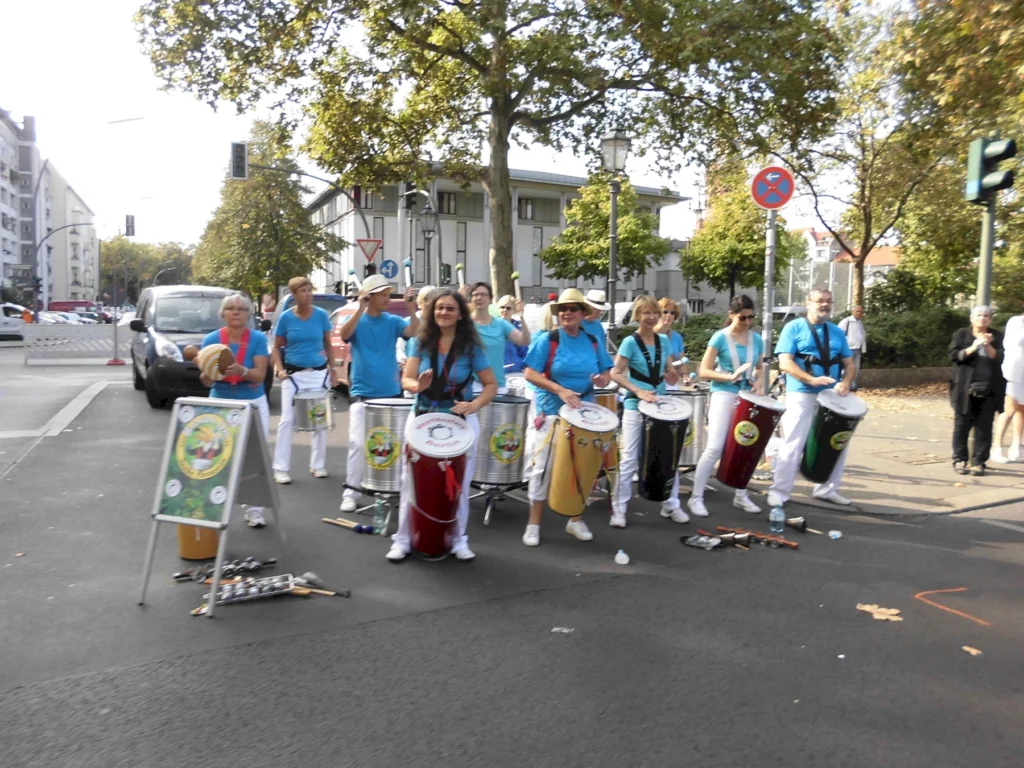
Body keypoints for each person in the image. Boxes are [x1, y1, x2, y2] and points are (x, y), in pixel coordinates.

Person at [386, 289, 498, 562]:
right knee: (410, 480)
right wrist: (417, 386)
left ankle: (459, 539)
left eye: (450, 308)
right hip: (423, 417)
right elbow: (406, 380)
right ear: (432, 312)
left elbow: (490, 385)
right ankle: (403, 539)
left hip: (460, 420)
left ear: (460, 314)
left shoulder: (470, 346)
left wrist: (474, 405)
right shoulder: (420, 342)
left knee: (460, 482)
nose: (444, 312)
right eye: (439, 308)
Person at [521, 288, 615, 546]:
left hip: (584, 414)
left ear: (583, 313)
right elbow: (530, 373)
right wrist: (560, 390)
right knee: (542, 468)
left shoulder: (592, 340)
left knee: (582, 468)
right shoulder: (549, 339)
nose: (567, 313)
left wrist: (601, 380)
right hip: (551, 411)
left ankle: (575, 519)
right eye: (563, 309)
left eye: (573, 309)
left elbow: (607, 374)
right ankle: (533, 523)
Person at [338, 274, 420, 511]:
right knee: (358, 444)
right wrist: (360, 308)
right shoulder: (356, 320)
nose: (387, 298)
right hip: (363, 393)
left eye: (388, 294)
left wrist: (411, 308)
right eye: (382, 294)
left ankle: (392, 489)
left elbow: (415, 331)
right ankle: (351, 492)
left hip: (391, 393)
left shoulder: (393, 320)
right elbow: (344, 334)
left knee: (395, 444)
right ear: (369, 296)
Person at [768, 288, 856, 508]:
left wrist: (846, 382)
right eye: (819, 301)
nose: (824, 304)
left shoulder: (836, 332)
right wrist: (810, 379)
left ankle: (827, 489)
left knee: (837, 442)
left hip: (831, 395)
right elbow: (785, 362)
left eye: (828, 301)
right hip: (801, 391)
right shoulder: (793, 327)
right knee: (794, 442)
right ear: (808, 303)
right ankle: (779, 492)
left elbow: (850, 364)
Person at [688, 295, 766, 518]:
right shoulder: (720, 337)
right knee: (714, 447)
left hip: (747, 396)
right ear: (731, 315)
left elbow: (760, 368)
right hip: (723, 393)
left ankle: (741, 495)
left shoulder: (756, 339)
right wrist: (729, 377)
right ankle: (696, 497)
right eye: (743, 318)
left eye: (751, 317)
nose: (747, 322)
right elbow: (704, 371)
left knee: (745, 446)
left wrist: (759, 382)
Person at [609, 296, 682, 527]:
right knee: (630, 458)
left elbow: (669, 373)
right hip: (635, 406)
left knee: (667, 456)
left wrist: (672, 374)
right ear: (637, 315)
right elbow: (615, 373)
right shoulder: (630, 342)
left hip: (660, 406)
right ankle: (618, 509)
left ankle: (671, 504)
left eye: (654, 313)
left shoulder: (663, 341)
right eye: (646, 313)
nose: (651, 317)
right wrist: (638, 391)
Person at [200, 293, 271, 526]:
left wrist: (242, 371)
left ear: (248, 314)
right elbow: (206, 382)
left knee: (255, 458)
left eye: (241, 309)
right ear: (223, 313)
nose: (236, 312)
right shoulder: (212, 339)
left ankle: (254, 510)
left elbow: (259, 376)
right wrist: (210, 372)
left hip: (252, 402)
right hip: (220, 402)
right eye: (231, 308)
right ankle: (215, 506)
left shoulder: (257, 339)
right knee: (216, 456)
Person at [270, 277, 338, 484]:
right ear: (294, 295)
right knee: (287, 420)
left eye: (309, 290)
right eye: (303, 291)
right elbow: (276, 347)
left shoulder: (321, 315)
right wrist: (279, 369)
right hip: (293, 375)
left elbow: (328, 344)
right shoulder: (286, 318)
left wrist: (333, 370)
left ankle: (318, 465)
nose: (308, 294)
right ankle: (280, 468)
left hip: (318, 374)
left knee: (320, 420)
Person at [949, 306, 1005, 476]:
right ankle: (960, 459)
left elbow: (1001, 358)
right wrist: (974, 346)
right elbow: (954, 355)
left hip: (989, 388)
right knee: (961, 426)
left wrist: (987, 345)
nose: (982, 318)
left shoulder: (997, 336)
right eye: (979, 315)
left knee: (984, 427)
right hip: (964, 388)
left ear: (990, 319)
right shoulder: (961, 334)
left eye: (986, 315)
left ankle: (979, 462)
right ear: (971, 318)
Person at [469, 282, 530, 393]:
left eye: (483, 294)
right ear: (471, 299)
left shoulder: (501, 324)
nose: (479, 297)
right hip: (474, 385)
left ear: (490, 299)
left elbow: (525, 341)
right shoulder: (465, 324)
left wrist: (522, 316)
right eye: (476, 295)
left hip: (498, 386)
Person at [992, 311, 1024, 463]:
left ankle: (1016, 447)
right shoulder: (1016, 321)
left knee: (1022, 410)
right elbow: (1016, 341)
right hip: (1013, 372)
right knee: (1009, 410)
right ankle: (997, 448)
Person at [656, 297, 688, 388]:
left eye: (672, 313)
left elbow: (681, 362)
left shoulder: (677, 337)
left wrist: (685, 375)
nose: (669, 315)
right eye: (665, 312)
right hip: (653, 383)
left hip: (671, 383)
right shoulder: (651, 335)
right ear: (657, 314)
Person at [838, 305, 867, 391]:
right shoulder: (846, 321)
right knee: (846, 367)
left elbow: (862, 336)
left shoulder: (860, 323)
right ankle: (843, 384)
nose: (859, 313)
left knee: (855, 368)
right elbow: (838, 333)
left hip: (857, 348)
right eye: (857, 311)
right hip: (848, 348)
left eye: (861, 312)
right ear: (853, 312)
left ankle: (852, 384)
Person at [497, 294, 528, 373]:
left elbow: (524, 352)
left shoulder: (519, 327)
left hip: (516, 372)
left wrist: (523, 366)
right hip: (497, 372)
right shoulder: (491, 326)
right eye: (502, 307)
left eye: (508, 308)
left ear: (514, 310)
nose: (505, 310)